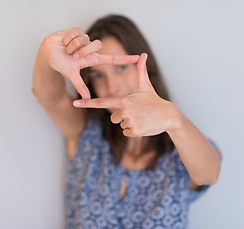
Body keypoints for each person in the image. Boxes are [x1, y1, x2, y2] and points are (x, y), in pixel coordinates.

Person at [32, 15, 221, 229]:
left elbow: (209, 174)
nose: (112, 87)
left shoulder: (179, 151)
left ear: (146, 68)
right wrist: (46, 54)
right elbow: (50, 98)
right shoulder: (87, 132)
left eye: (121, 68)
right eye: (98, 76)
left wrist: (174, 119)